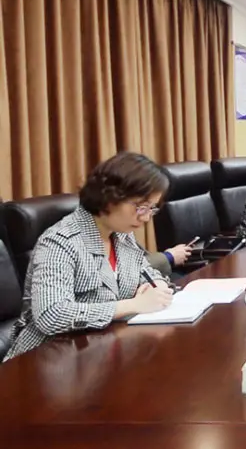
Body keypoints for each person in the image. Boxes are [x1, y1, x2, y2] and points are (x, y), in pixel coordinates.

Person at [3, 152, 174, 361]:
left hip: (101, 350)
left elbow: (144, 269)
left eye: (151, 208)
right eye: (141, 207)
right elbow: (51, 315)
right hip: (48, 360)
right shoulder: (60, 242)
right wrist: (133, 305)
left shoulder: (122, 234)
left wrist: (157, 284)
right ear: (110, 196)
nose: (146, 217)